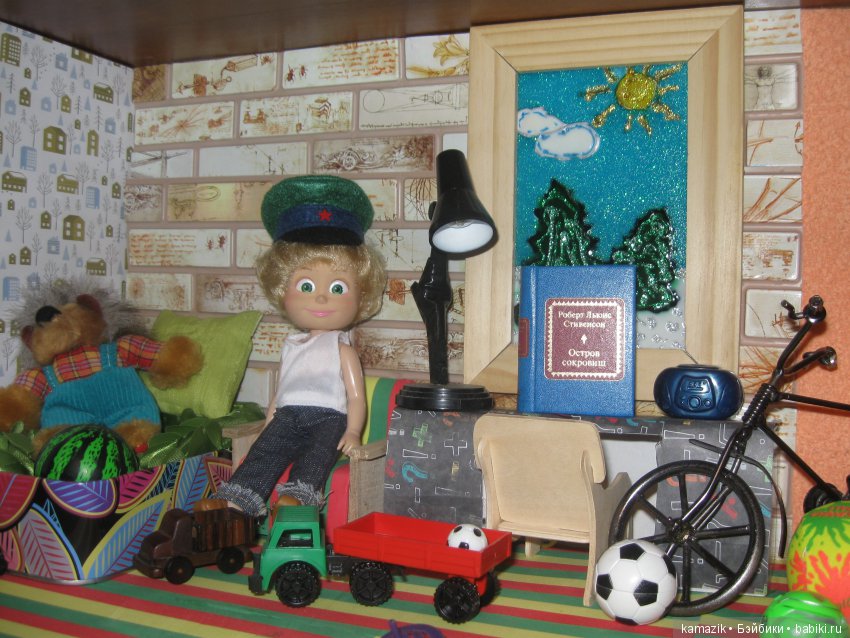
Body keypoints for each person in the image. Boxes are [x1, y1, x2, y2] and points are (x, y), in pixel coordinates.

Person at [208, 175, 386, 517]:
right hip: (288, 415)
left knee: (317, 456)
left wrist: (353, 430)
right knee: (264, 453)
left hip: (329, 418)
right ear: (281, 291)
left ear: (360, 295)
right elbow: (281, 391)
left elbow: (355, 397)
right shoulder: (291, 346)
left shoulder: (342, 348)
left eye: (337, 288)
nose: (320, 298)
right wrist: (266, 425)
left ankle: (298, 501)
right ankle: (235, 502)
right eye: (305, 286)